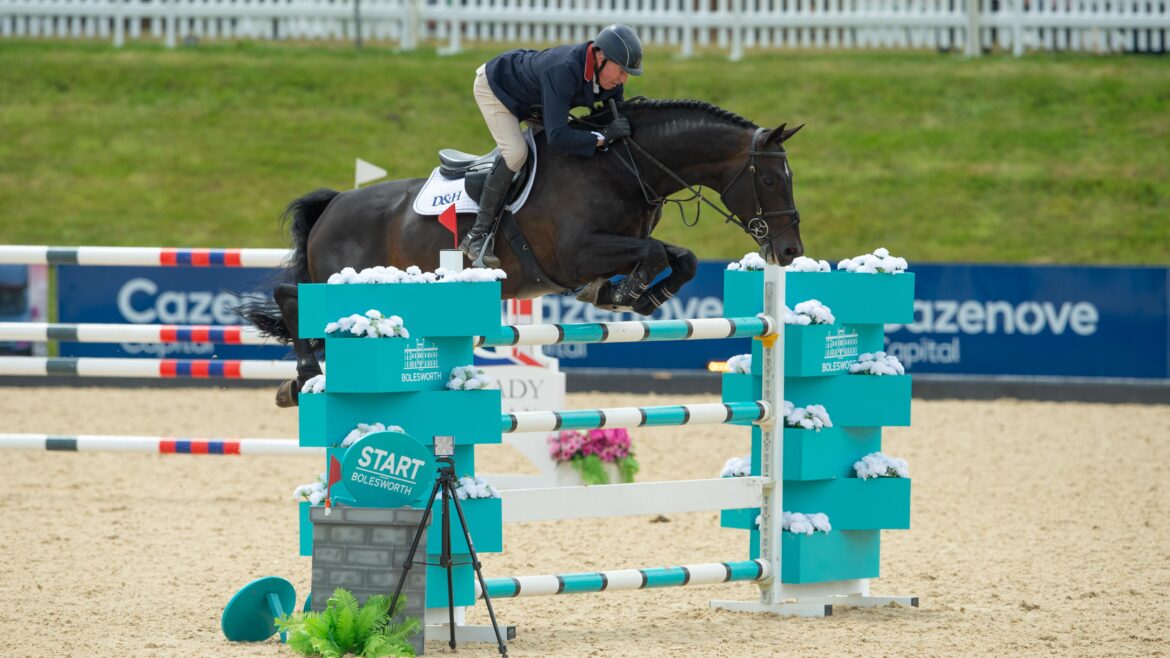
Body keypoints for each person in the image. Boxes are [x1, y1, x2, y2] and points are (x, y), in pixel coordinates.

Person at [461, 24, 644, 268]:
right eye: (621, 71)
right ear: (601, 57)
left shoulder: (609, 77)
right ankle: (477, 234)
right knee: (516, 154)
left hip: (535, 101)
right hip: (498, 90)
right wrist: (602, 137)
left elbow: (612, 121)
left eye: (627, 74)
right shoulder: (565, 68)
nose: (623, 79)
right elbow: (557, 136)